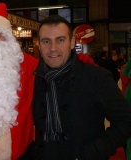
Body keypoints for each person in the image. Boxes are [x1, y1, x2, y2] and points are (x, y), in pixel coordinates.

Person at [0, 3, 96, 160]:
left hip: (23, 154)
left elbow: (56, 64)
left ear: (7, 37)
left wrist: (77, 61)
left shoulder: (27, 64)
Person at [32, 14, 131, 160]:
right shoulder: (35, 79)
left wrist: (90, 152)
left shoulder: (96, 77)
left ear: (72, 42)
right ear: (39, 45)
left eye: (60, 40)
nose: (53, 48)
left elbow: (126, 122)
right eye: (46, 41)